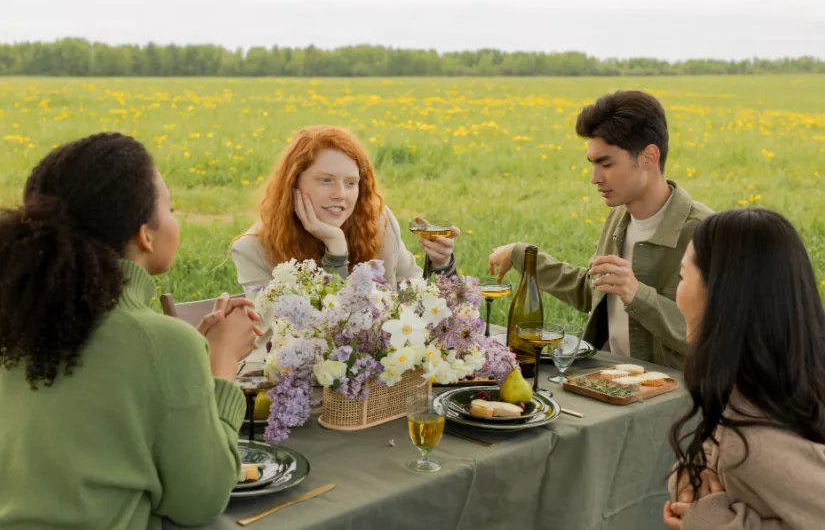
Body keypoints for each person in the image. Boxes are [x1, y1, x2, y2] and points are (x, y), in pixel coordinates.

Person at [0, 133, 262, 529]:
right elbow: (200, 500)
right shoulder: (164, 344)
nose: (175, 217)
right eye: (170, 208)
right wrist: (221, 365)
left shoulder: (17, 323)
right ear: (146, 234)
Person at [488, 90, 711, 369]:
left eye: (606, 164)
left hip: (673, 395)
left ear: (648, 157)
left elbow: (711, 336)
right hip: (610, 380)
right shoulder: (619, 217)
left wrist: (637, 293)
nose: (595, 178)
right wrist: (524, 255)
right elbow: (593, 290)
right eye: (593, 164)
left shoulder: (706, 234)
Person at [231, 125, 460, 362]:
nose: (340, 194)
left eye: (350, 183)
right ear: (294, 183)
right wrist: (336, 250)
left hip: (385, 379)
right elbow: (314, 340)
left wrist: (441, 264)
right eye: (326, 180)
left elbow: (419, 302)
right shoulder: (253, 249)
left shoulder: (378, 224)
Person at [664, 208, 825, 529]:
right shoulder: (775, 383)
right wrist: (689, 477)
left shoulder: (751, 444)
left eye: (682, 277)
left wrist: (715, 521)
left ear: (718, 297)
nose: (676, 292)